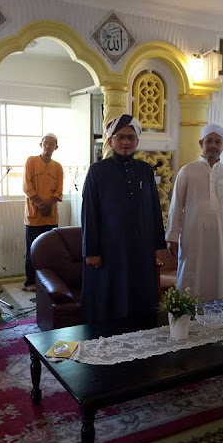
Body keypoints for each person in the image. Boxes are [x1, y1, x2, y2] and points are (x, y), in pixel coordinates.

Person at [81, 114, 165, 324]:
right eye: (120, 137)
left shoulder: (145, 170)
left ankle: (141, 335)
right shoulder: (97, 171)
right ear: (110, 141)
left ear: (137, 141)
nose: (125, 142)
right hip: (110, 249)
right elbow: (89, 212)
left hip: (141, 248)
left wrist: (158, 246)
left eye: (130, 137)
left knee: (140, 296)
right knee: (110, 297)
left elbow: (155, 209)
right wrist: (91, 251)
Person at [166, 124, 223, 302]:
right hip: (192, 236)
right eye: (209, 141)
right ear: (201, 143)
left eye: (218, 142)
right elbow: (176, 206)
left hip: (221, 237)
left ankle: (218, 311)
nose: (213, 146)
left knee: (219, 275)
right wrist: (172, 236)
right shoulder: (187, 171)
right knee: (191, 273)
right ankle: (187, 310)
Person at [22, 133, 63, 292]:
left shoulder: (58, 167)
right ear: (41, 144)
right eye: (45, 143)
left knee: (49, 250)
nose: (48, 146)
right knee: (32, 250)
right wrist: (40, 204)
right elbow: (27, 186)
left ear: (56, 147)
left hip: (51, 216)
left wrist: (49, 205)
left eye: (52, 144)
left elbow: (59, 190)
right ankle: (30, 282)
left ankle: (48, 282)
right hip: (33, 216)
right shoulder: (31, 161)